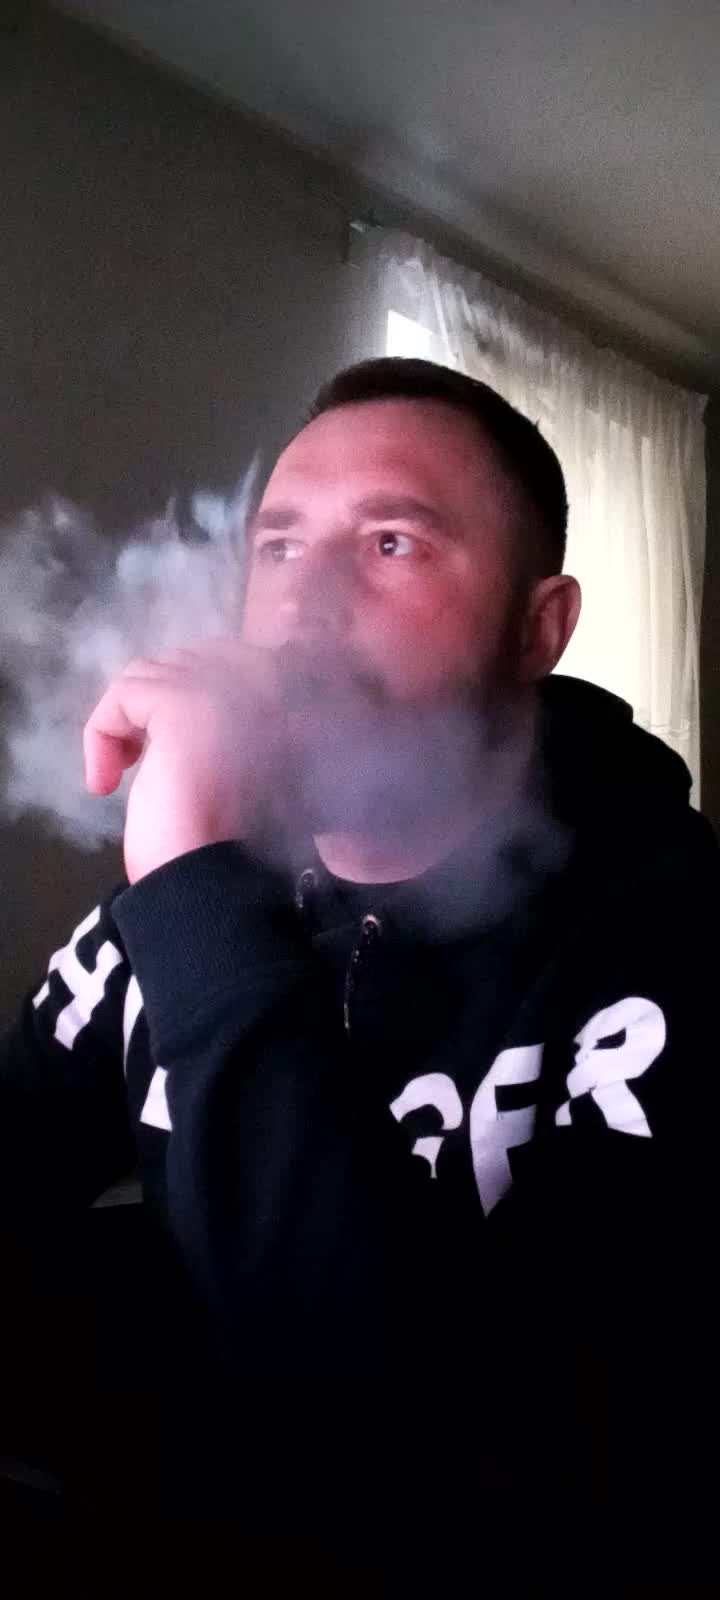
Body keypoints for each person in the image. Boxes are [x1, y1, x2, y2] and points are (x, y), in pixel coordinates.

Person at [1, 358, 718, 1594]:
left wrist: (196, 899)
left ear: (540, 626)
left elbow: (485, 1489)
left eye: (392, 543)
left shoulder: (672, 942)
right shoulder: (166, 917)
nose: (307, 601)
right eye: (279, 548)